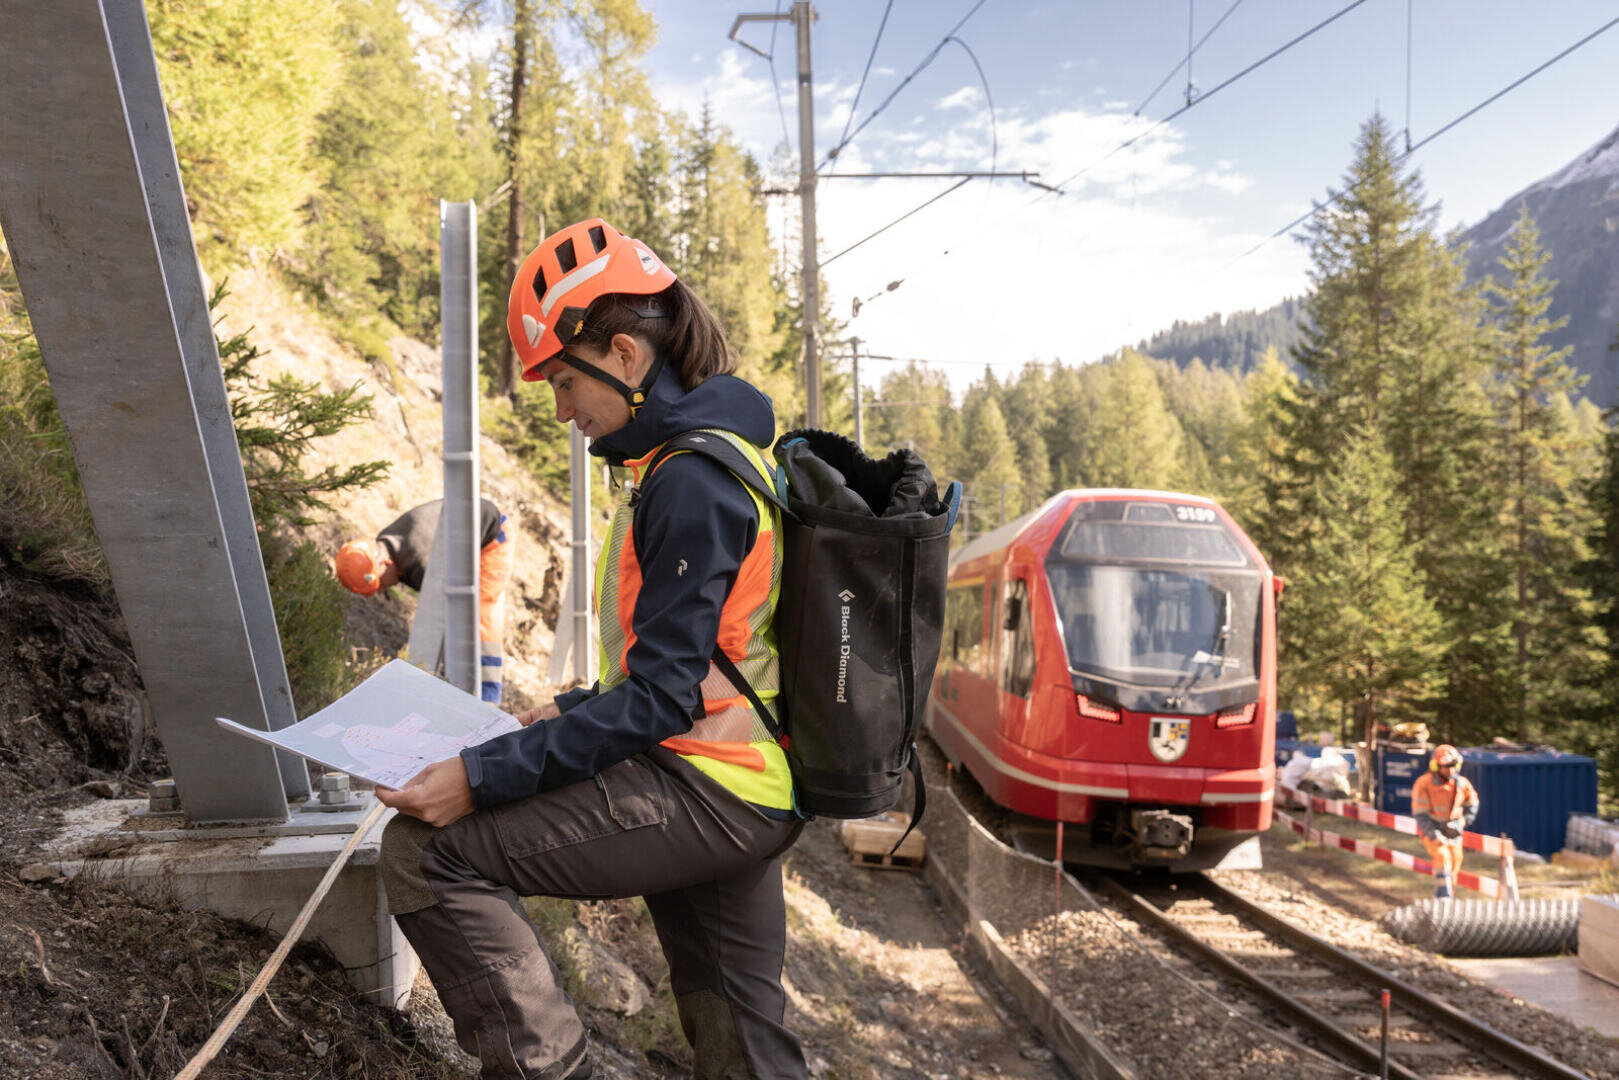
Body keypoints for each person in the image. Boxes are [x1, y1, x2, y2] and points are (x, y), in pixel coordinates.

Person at [375, 218, 807, 1080]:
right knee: (744, 1043)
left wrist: (480, 777)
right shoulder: (722, 457)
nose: (562, 411)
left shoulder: (689, 479)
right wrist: (570, 711)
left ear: (624, 353)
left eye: (564, 382)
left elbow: (660, 699)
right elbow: (702, 658)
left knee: (426, 854)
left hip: (702, 784)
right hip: (750, 787)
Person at [335, 498, 514, 702]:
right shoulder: (387, 543)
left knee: (478, 619)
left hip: (491, 538)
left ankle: (486, 699)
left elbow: (446, 615)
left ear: (384, 563)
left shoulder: (422, 563)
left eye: (380, 584)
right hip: (465, 538)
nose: (383, 589)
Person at [1411, 744, 1480, 900]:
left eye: (1453, 766)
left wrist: (1464, 821)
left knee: (1455, 864)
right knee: (1442, 858)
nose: (1450, 770)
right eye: (1446, 766)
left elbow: (1473, 803)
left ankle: (1447, 902)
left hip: (1454, 832)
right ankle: (1443, 898)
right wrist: (1433, 835)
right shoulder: (1424, 783)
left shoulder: (1462, 784)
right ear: (1436, 766)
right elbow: (1420, 814)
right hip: (1432, 830)